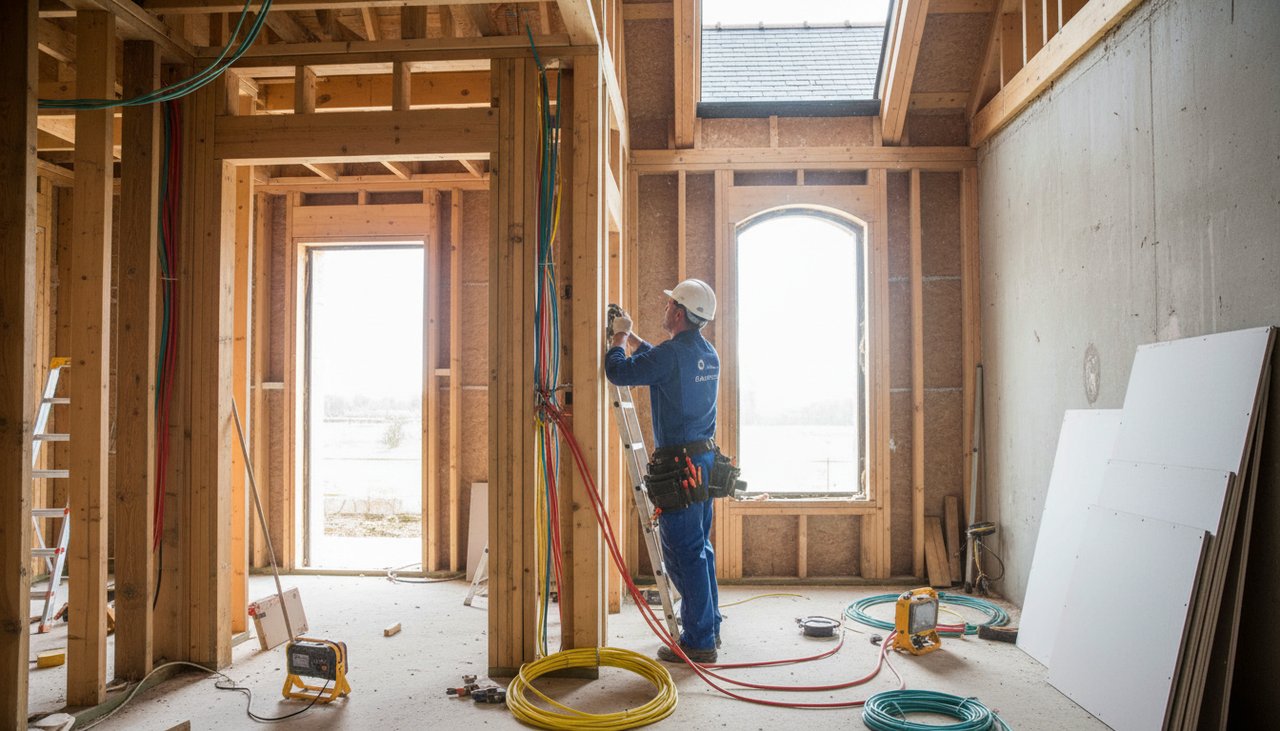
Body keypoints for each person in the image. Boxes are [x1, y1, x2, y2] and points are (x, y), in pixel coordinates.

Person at [604, 278, 723, 663]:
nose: (666, 306)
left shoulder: (672, 356)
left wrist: (619, 340)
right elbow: (663, 360)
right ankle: (709, 627)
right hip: (703, 463)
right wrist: (633, 334)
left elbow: (618, 372)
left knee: (682, 554)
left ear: (679, 312)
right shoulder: (706, 353)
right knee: (700, 550)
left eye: (671, 302)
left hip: (679, 466)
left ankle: (700, 642)